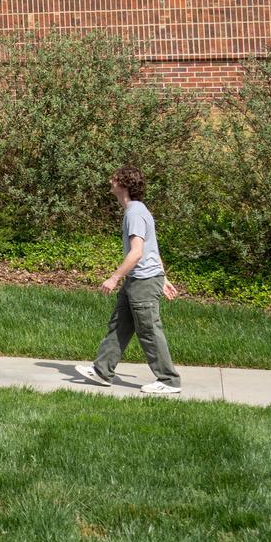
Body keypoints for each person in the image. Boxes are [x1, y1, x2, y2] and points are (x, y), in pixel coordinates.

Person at [77, 166, 183, 395]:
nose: (110, 180)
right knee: (120, 325)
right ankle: (102, 370)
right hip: (139, 280)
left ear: (123, 185)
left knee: (148, 331)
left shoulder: (134, 213)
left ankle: (169, 380)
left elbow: (137, 253)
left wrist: (114, 277)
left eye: (114, 178)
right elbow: (153, 249)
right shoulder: (136, 210)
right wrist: (163, 277)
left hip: (143, 282)